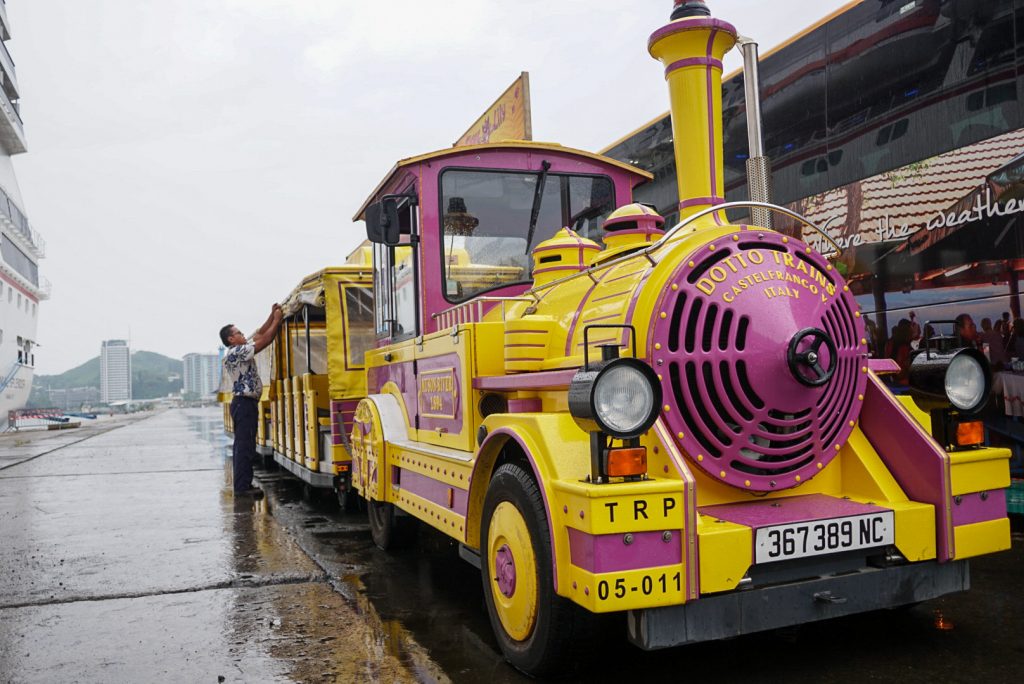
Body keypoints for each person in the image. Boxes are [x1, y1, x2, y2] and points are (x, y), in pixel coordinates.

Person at [219, 304, 283, 496]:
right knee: (245, 447)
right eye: (238, 333)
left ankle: (243, 485)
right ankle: (242, 487)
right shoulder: (237, 352)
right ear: (231, 339)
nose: (242, 334)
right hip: (244, 404)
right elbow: (265, 340)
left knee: (244, 445)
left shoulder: (238, 349)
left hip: (243, 404)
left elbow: (259, 334)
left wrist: (272, 316)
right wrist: (278, 321)